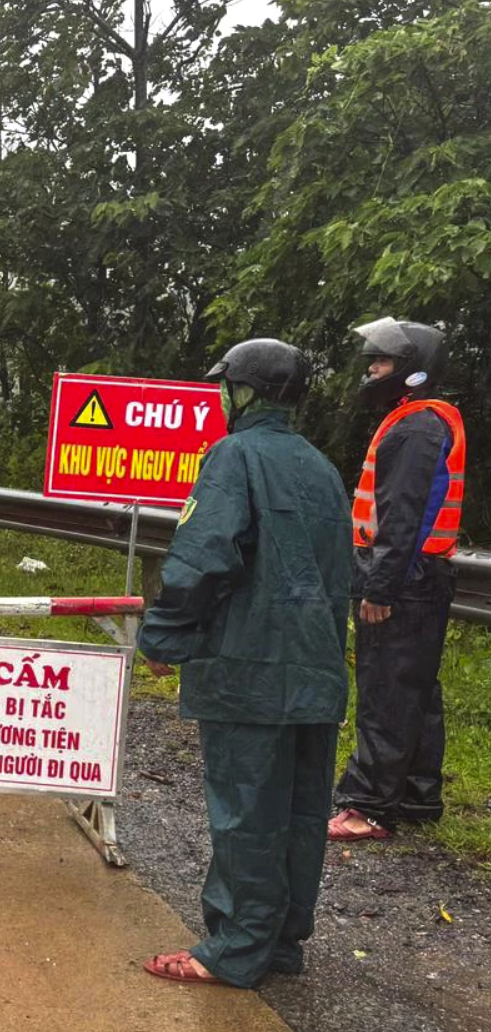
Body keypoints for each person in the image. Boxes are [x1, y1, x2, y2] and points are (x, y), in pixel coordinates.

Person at [137, 338, 352, 988]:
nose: (223, 398)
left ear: (248, 392)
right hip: (315, 670)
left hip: (249, 666)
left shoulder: (234, 456)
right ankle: (279, 943)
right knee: (300, 813)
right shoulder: (321, 467)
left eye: (228, 387)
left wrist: (165, 635)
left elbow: (205, 554)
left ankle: (234, 949)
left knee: (248, 813)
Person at [331, 319, 466, 842]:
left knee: (387, 689)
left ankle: (367, 806)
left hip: (404, 578)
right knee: (414, 689)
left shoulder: (415, 428)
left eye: (381, 362)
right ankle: (415, 795)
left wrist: (380, 586)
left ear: (413, 370)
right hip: (423, 575)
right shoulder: (426, 421)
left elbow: (404, 513)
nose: (372, 370)